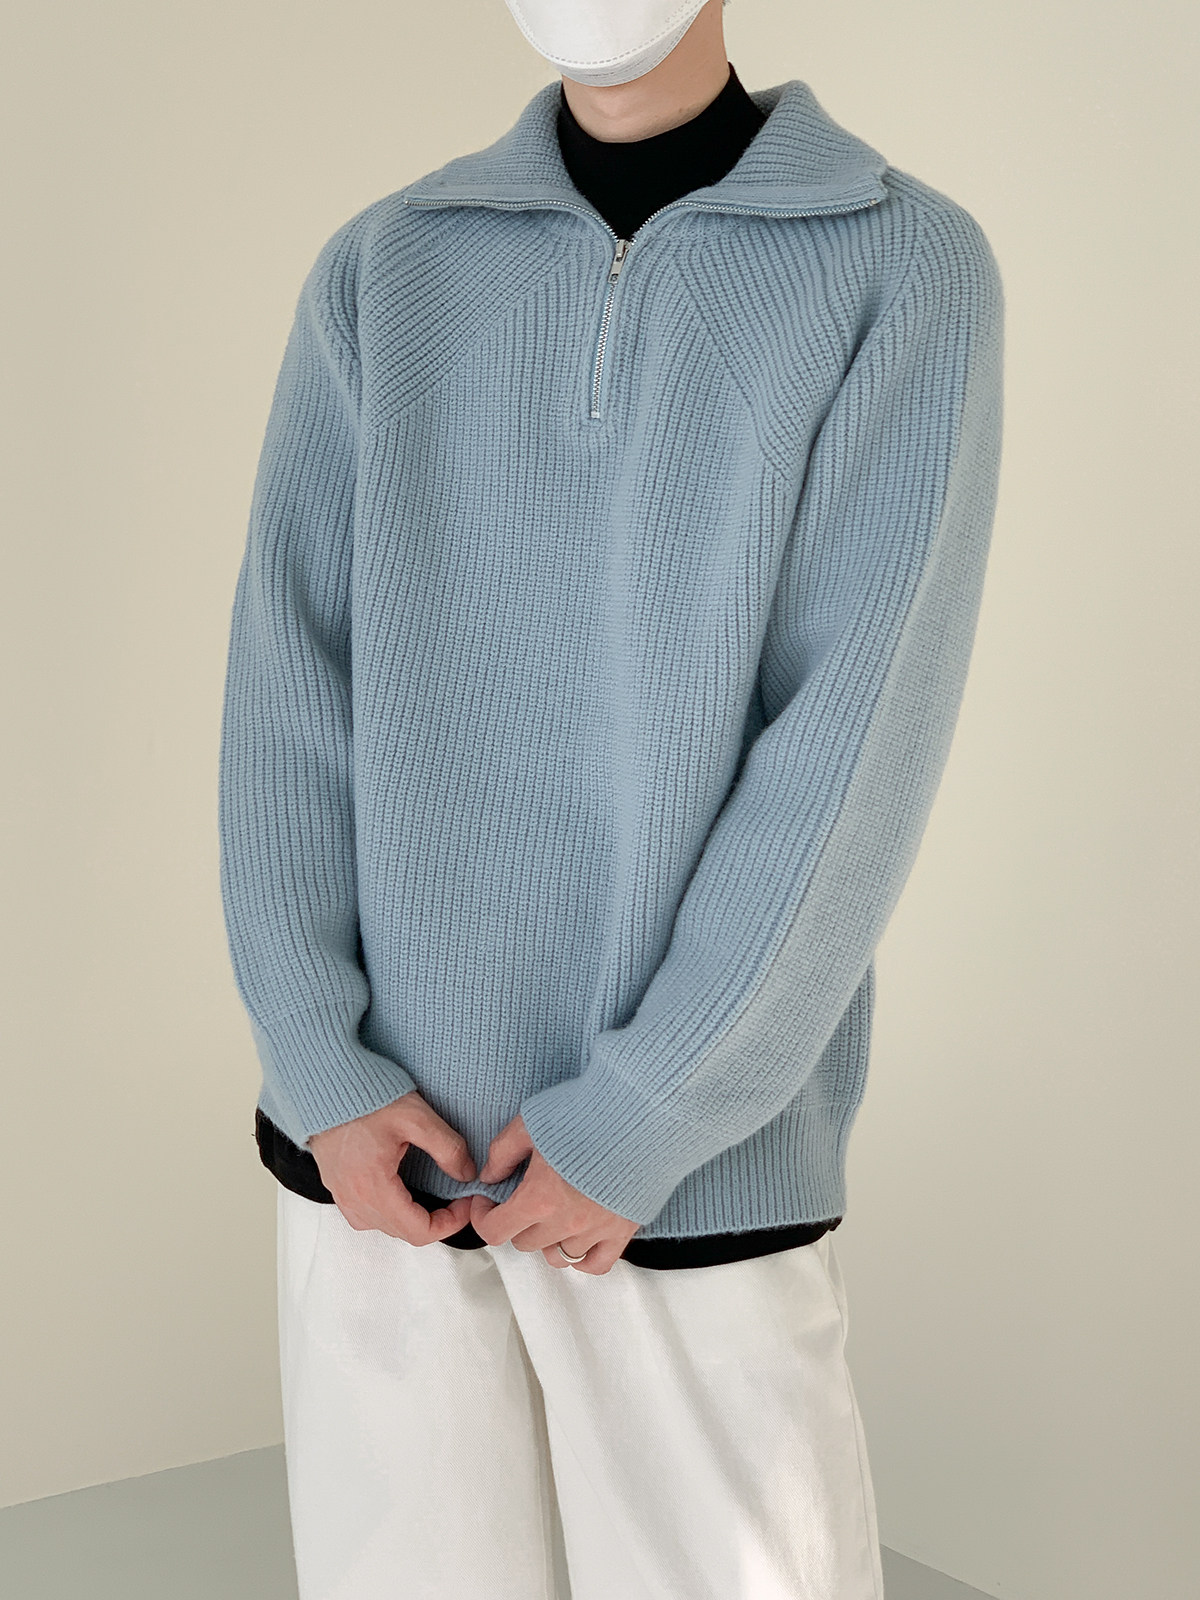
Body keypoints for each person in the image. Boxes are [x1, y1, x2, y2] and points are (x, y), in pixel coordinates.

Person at [217, 1, 1005, 1595]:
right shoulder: (387, 263)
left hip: (685, 1171)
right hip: (380, 1161)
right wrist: (318, 1061)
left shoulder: (900, 263)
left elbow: (851, 748)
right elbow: (287, 686)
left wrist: (649, 1110)